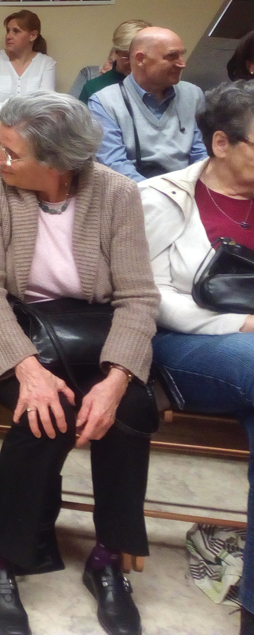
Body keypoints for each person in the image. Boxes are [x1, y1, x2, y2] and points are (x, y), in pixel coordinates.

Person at [0, 92, 159, 635]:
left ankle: (108, 558)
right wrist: (27, 369)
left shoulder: (117, 194)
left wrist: (117, 379)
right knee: (44, 414)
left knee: (131, 409)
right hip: (12, 330)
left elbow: (137, 297)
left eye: (12, 153)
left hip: (92, 335)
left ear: (59, 163)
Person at [139, 81, 254, 635]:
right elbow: (147, 295)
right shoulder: (163, 198)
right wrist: (243, 324)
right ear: (221, 143)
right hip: (181, 346)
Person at [90, 27, 207, 182]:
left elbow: (202, 153)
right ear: (140, 59)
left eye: (181, 55)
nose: (182, 64)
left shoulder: (193, 94)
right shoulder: (104, 102)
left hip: (188, 188)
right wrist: (159, 193)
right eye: (172, 56)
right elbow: (114, 165)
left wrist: (192, 188)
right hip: (135, 190)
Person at [0, 10, 57, 110]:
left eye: (16, 31)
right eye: (8, 31)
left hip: (32, 119)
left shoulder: (46, 63)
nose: (8, 36)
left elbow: (45, 102)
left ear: (33, 35)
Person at [72, 19, 151, 103]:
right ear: (116, 52)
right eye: (127, 57)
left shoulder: (157, 84)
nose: (134, 63)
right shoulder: (94, 88)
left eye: (141, 57)